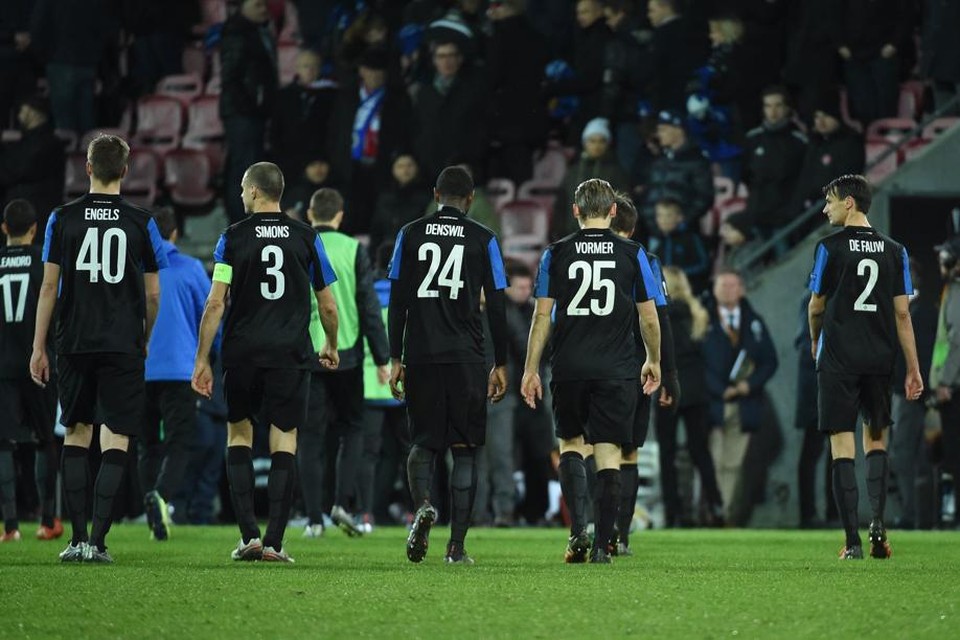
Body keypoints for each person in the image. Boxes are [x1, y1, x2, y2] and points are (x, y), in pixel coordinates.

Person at [192, 162, 340, 563]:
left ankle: (248, 537)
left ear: (256, 192)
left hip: (242, 352)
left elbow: (215, 302)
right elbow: (327, 303)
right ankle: (275, 542)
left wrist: (202, 358)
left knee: (239, 435)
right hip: (290, 354)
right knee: (285, 439)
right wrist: (330, 343)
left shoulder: (232, 238)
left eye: (243, 188)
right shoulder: (306, 238)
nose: (241, 195)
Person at [30, 134, 169, 563]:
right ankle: (100, 543)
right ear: (125, 172)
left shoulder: (61, 218)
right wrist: (143, 339)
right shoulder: (143, 221)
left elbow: (49, 286)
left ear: (86, 168)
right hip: (122, 343)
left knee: (76, 433)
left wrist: (38, 346)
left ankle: (75, 541)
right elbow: (152, 295)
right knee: (117, 439)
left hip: (73, 341)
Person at [521, 178, 662, 564]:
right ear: (613, 210)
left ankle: (576, 532)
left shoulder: (556, 252)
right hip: (616, 368)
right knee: (609, 454)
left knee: (570, 445)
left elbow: (542, 315)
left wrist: (530, 367)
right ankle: (603, 546)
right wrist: (654, 359)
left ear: (576, 211)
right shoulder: (633, 254)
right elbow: (648, 316)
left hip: (570, 367)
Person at [387, 166, 509, 564]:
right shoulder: (484, 238)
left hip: (421, 353)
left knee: (423, 443)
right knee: (466, 450)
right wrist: (501, 362)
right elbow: (498, 304)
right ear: (471, 199)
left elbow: (398, 300)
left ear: (435, 194)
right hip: (467, 356)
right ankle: (456, 547)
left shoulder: (409, 233)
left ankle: (423, 504)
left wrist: (395, 357)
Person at [807, 174, 924, 559]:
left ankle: (853, 542)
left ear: (849, 203)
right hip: (879, 359)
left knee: (842, 445)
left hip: (838, 357)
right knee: (876, 440)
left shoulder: (829, 247)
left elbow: (816, 305)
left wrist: (814, 339)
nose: (825, 208)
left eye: (830, 201)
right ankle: (878, 522)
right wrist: (913, 368)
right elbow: (902, 314)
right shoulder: (895, 251)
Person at [300, 188, 389, 537]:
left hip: (308, 352)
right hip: (348, 354)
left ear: (310, 213)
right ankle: (341, 502)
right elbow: (368, 306)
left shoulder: (301, 243)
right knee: (352, 430)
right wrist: (382, 357)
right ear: (340, 215)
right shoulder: (354, 250)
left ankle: (312, 519)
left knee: (309, 437)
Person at [607, 191, 676, 553]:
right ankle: (620, 535)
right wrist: (668, 372)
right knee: (628, 452)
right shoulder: (644, 259)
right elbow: (660, 317)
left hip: (590, 364)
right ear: (632, 227)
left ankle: (587, 529)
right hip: (636, 365)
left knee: (590, 448)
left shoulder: (569, 252)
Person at [138, 207, 211, 542]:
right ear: (175, 235)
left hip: (141, 368)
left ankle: (148, 501)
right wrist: (209, 357)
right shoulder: (192, 268)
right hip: (181, 369)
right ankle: (162, 497)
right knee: (180, 441)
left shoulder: (135, 270)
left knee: (148, 444)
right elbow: (208, 316)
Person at [0, 200, 60, 542]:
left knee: (4, 443)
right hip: (40, 361)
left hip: (2, 366)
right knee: (44, 440)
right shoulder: (43, 262)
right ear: (34, 229)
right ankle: (48, 520)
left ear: (5, 228)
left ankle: (10, 527)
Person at [702, 268, 778, 525]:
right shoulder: (704, 320)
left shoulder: (754, 323)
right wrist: (718, 389)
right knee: (713, 461)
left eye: (733, 286)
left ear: (742, 289)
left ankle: (726, 514)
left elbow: (770, 361)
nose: (728, 291)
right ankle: (711, 511)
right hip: (712, 403)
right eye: (723, 286)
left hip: (745, 403)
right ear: (714, 290)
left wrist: (747, 386)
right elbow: (695, 362)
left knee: (733, 463)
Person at [656, 265, 725, 527]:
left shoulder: (660, 315)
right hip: (697, 391)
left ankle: (673, 512)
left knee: (668, 453)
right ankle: (716, 505)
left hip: (667, 389)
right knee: (700, 452)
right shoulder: (698, 314)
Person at [219, 0, 278, 223]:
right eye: (257, 5)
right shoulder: (236, 33)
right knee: (244, 168)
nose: (264, 9)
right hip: (243, 114)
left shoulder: (255, 29)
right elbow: (231, 77)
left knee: (249, 165)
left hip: (252, 112)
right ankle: (240, 220)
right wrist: (251, 106)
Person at [928, 236, 960, 528]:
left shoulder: (957, 292)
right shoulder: (950, 290)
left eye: (946, 258)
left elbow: (957, 341)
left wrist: (945, 382)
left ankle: (953, 516)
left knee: (953, 452)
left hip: (954, 387)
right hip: (952, 383)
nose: (941, 263)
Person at [0, 95, 65, 236]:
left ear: (35, 114)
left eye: (24, 110)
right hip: (19, 217)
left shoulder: (48, 145)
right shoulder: (25, 143)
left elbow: (14, 170)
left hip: (35, 219)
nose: (20, 115)